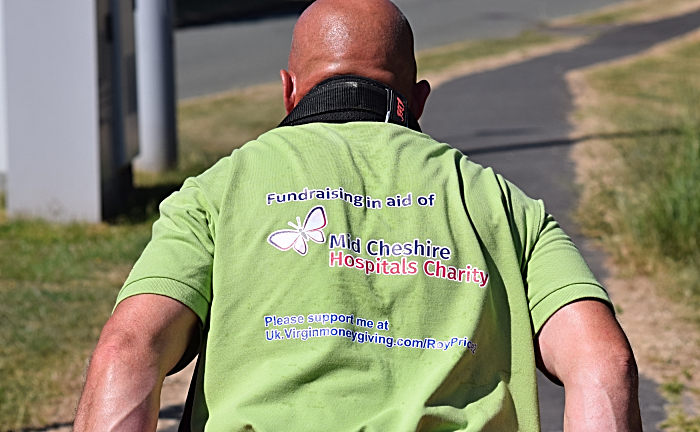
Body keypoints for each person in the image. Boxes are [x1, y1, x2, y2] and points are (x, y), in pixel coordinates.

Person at [74, 0, 642, 430]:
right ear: (418, 100)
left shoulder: (221, 189)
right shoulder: (501, 202)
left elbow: (130, 351)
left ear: (289, 92)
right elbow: (604, 362)